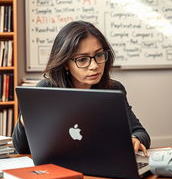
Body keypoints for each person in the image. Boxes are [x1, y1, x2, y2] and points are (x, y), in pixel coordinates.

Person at [13, 21, 151, 155]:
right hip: (60, 168)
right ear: (65, 63)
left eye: (99, 55)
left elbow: (141, 133)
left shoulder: (114, 89)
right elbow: (21, 149)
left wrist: (135, 139)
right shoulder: (47, 89)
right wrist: (26, 118)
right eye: (82, 59)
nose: (94, 66)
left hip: (104, 166)